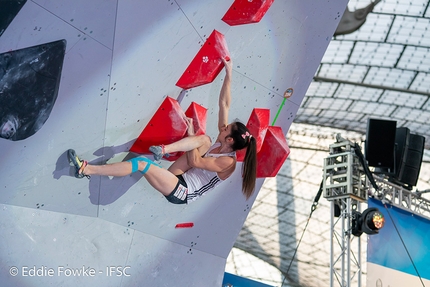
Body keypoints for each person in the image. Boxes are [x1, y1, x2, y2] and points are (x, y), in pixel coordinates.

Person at [68, 58, 257, 204]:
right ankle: (163, 150)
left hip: (183, 191)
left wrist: (192, 136)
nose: (223, 127)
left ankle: (86, 169)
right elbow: (224, 103)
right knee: (205, 140)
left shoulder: (227, 162)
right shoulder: (221, 141)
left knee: (142, 164)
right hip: (181, 175)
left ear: (230, 140)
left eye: (226, 129)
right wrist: (229, 73)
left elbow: (195, 161)